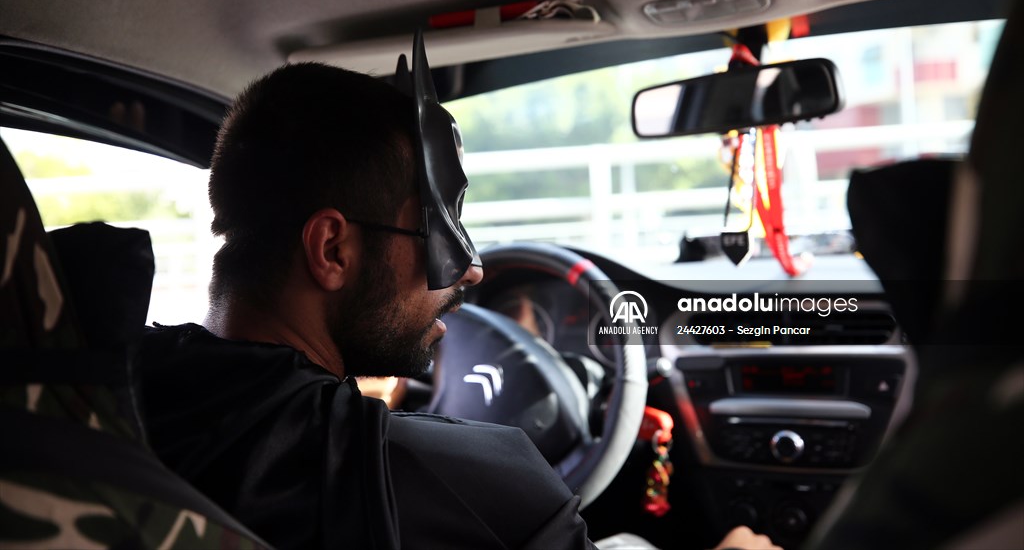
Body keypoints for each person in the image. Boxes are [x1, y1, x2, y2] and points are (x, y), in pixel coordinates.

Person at [137, 34, 779, 550]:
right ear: (333, 250)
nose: (470, 271)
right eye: (436, 233)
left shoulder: (108, 399)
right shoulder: (475, 485)